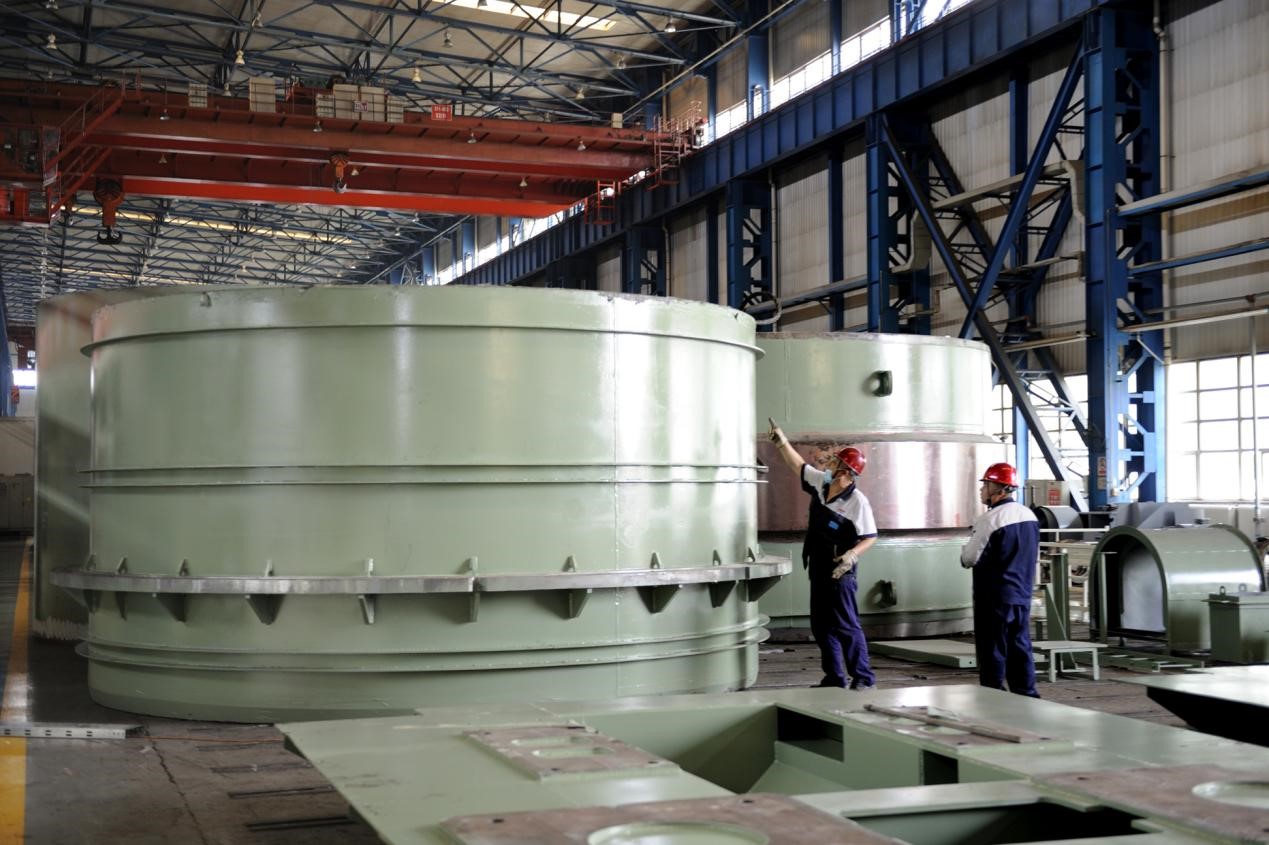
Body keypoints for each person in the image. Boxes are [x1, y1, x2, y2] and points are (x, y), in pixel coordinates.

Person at [768, 420, 878, 690]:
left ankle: (864, 679)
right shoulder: (821, 483)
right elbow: (798, 466)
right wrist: (782, 442)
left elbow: (870, 536)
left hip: (840, 571)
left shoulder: (857, 502)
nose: (829, 465)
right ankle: (834, 678)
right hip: (817, 566)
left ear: (846, 473)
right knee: (821, 626)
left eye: (836, 463)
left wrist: (851, 555)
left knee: (846, 625)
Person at [960, 462, 1040, 697]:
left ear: (998, 488)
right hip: (1022, 594)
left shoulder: (990, 519)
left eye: (985, 484)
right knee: (1020, 646)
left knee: (992, 647)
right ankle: (1026, 695)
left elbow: (969, 558)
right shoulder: (1029, 516)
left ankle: (993, 696)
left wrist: (964, 550)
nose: (981, 489)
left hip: (994, 596)